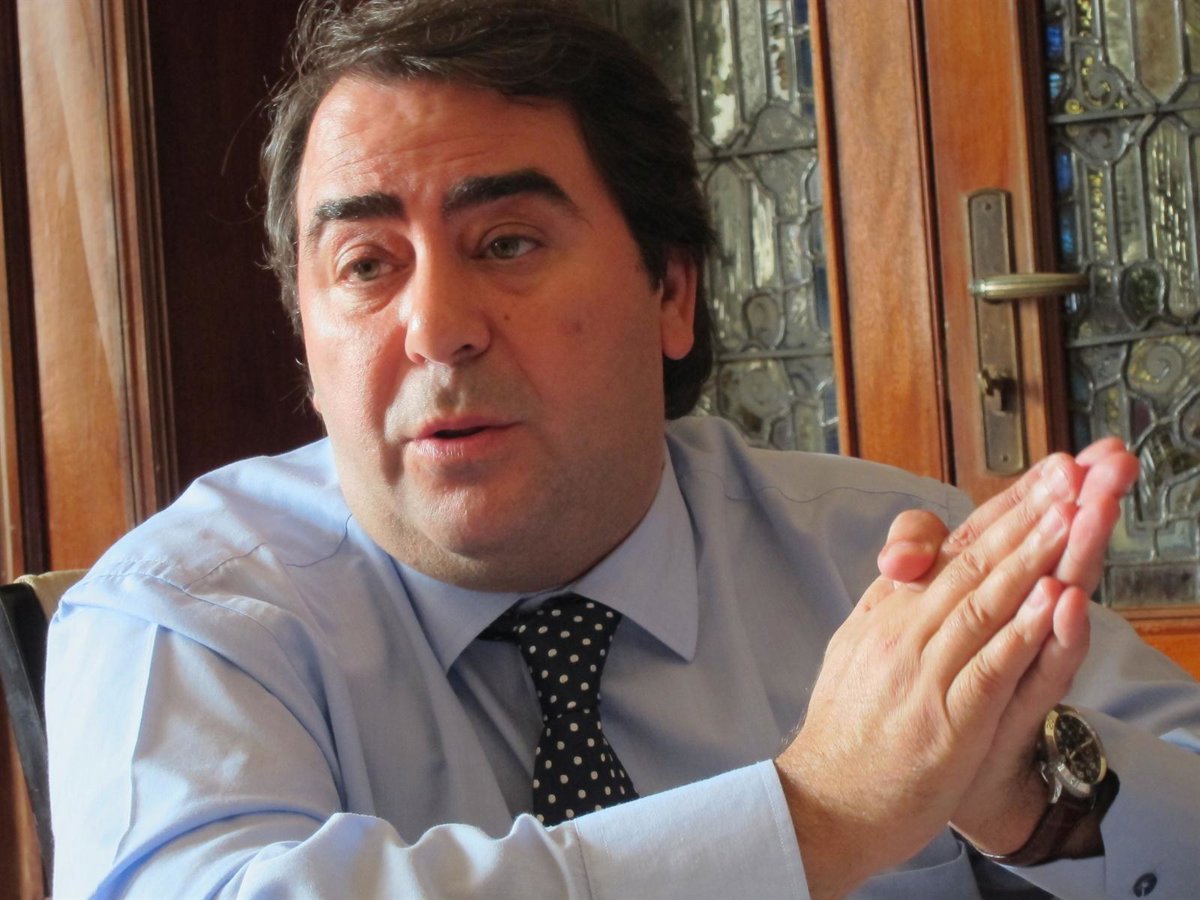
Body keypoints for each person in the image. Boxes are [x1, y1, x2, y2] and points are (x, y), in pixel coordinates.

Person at [46, 1, 1199, 897]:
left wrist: (1030, 793)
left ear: (671, 293)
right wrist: (819, 816)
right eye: (365, 266)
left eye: (506, 242)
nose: (436, 327)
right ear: (306, 336)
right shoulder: (183, 615)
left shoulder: (882, 564)